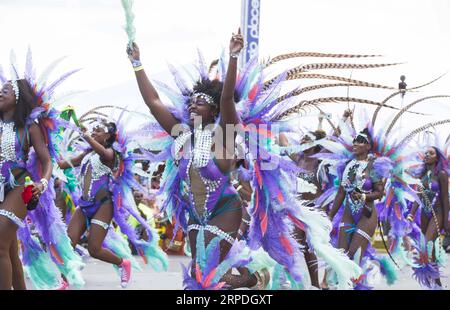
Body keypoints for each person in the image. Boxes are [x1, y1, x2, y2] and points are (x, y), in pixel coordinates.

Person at [58, 120, 134, 288]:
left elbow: (105, 155)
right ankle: (64, 282)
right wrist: (46, 153)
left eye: (97, 130)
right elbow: (63, 164)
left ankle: (123, 264)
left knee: (94, 250)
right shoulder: (87, 154)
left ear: (107, 136)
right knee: (67, 245)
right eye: (92, 130)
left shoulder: (111, 154)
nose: (93, 132)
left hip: (103, 207)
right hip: (84, 205)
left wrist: (86, 136)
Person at [0, 79, 53, 289]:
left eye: (5, 91)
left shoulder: (30, 128)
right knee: (9, 250)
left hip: (21, 187)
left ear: (18, 99)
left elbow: (47, 160)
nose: (0, 93)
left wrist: (43, 183)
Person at [406, 146, 449, 288]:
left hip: (438, 213)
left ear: (437, 157)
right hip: (424, 214)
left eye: (431, 153)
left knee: (426, 244)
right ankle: (436, 283)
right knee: (431, 250)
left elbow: (444, 199)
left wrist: (447, 223)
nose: (427, 155)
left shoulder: (442, 174)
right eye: (426, 153)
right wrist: (411, 214)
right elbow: (418, 196)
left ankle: (430, 278)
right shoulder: (422, 176)